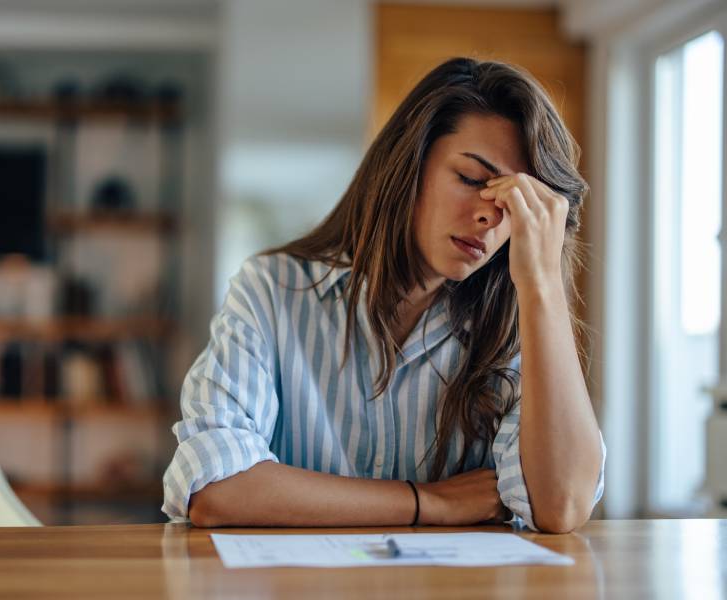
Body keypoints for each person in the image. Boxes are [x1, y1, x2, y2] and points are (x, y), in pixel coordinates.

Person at [162, 57, 605, 534]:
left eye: (514, 204)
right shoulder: (270, 293)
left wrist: (542, 288)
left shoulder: (517, 327)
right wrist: (426, 503)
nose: (490, 216)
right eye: (473, 180)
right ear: (408, 166)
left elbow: (561, 505)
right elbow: (214, 489)